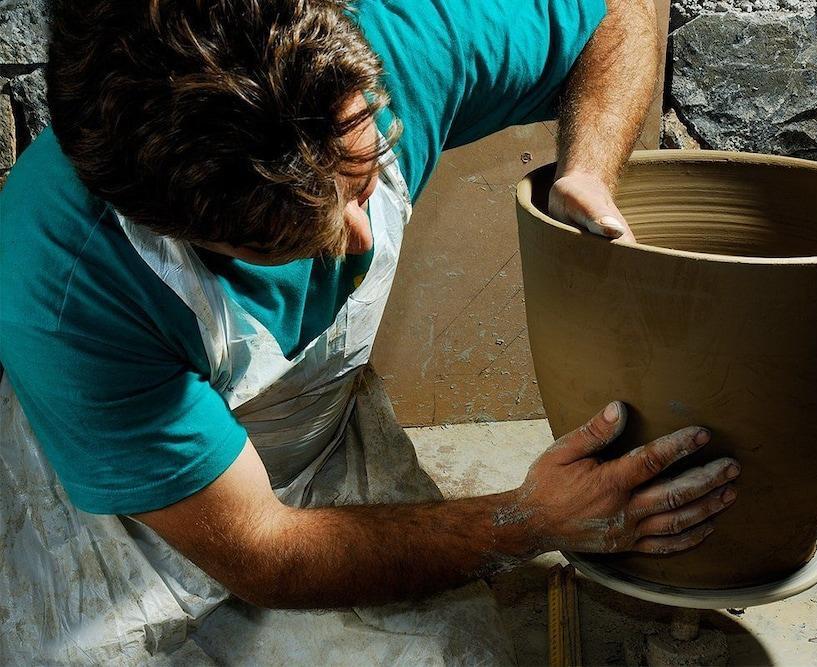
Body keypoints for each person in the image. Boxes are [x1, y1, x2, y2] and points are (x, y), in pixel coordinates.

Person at [0, 0, 741, 663]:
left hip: (316, 451)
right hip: (113, 511)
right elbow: (264, 553)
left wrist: (591, 167)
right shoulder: (65, 284)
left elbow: (622, 8)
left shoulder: (391, 51)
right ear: (179, 228)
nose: (361, 238)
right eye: (295, 233)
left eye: (361, 181)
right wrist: (527, 522)